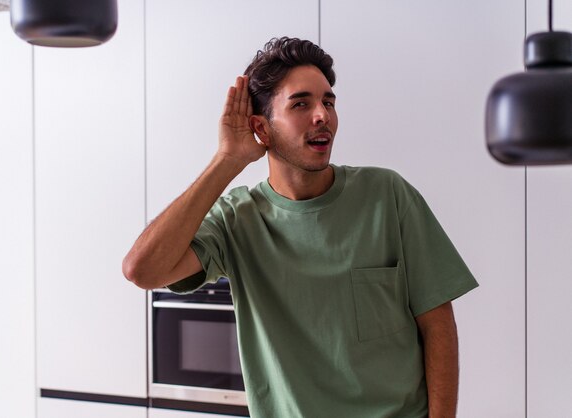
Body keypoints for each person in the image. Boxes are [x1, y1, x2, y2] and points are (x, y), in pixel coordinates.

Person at [123, 37, 478, 418]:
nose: (322, 115)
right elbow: (142, 270)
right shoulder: (236, 219)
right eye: (301, 104)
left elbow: (438, 325)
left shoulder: (387, 194)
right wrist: (227, 160)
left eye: (328, 101)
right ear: (261, 127)